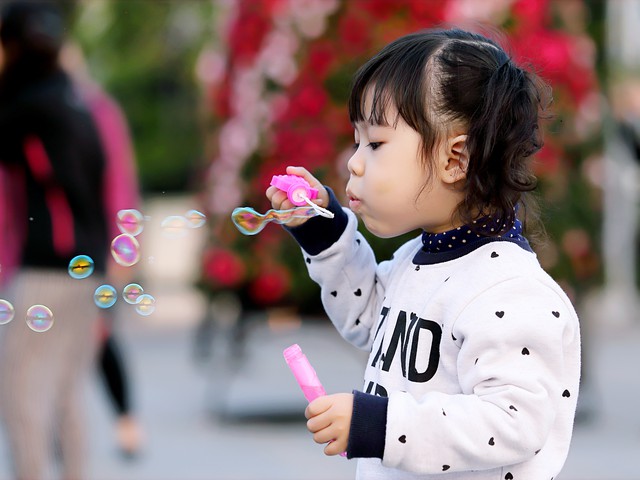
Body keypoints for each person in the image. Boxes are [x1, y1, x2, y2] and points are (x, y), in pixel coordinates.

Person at [266, 28, 581, 479]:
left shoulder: (510, 292)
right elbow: (366, 316)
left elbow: (515, 422)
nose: (354, 162)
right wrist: (323, 230)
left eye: (375, 144)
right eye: (357, 142)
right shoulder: (419, 257)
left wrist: (382, 424)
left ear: (456, 159)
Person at [0, 2, 107, 478]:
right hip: (85, 269)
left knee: (20, 392)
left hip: (47, 268)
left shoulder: (28, 106)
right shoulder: (72, 101)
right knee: (65, 393)